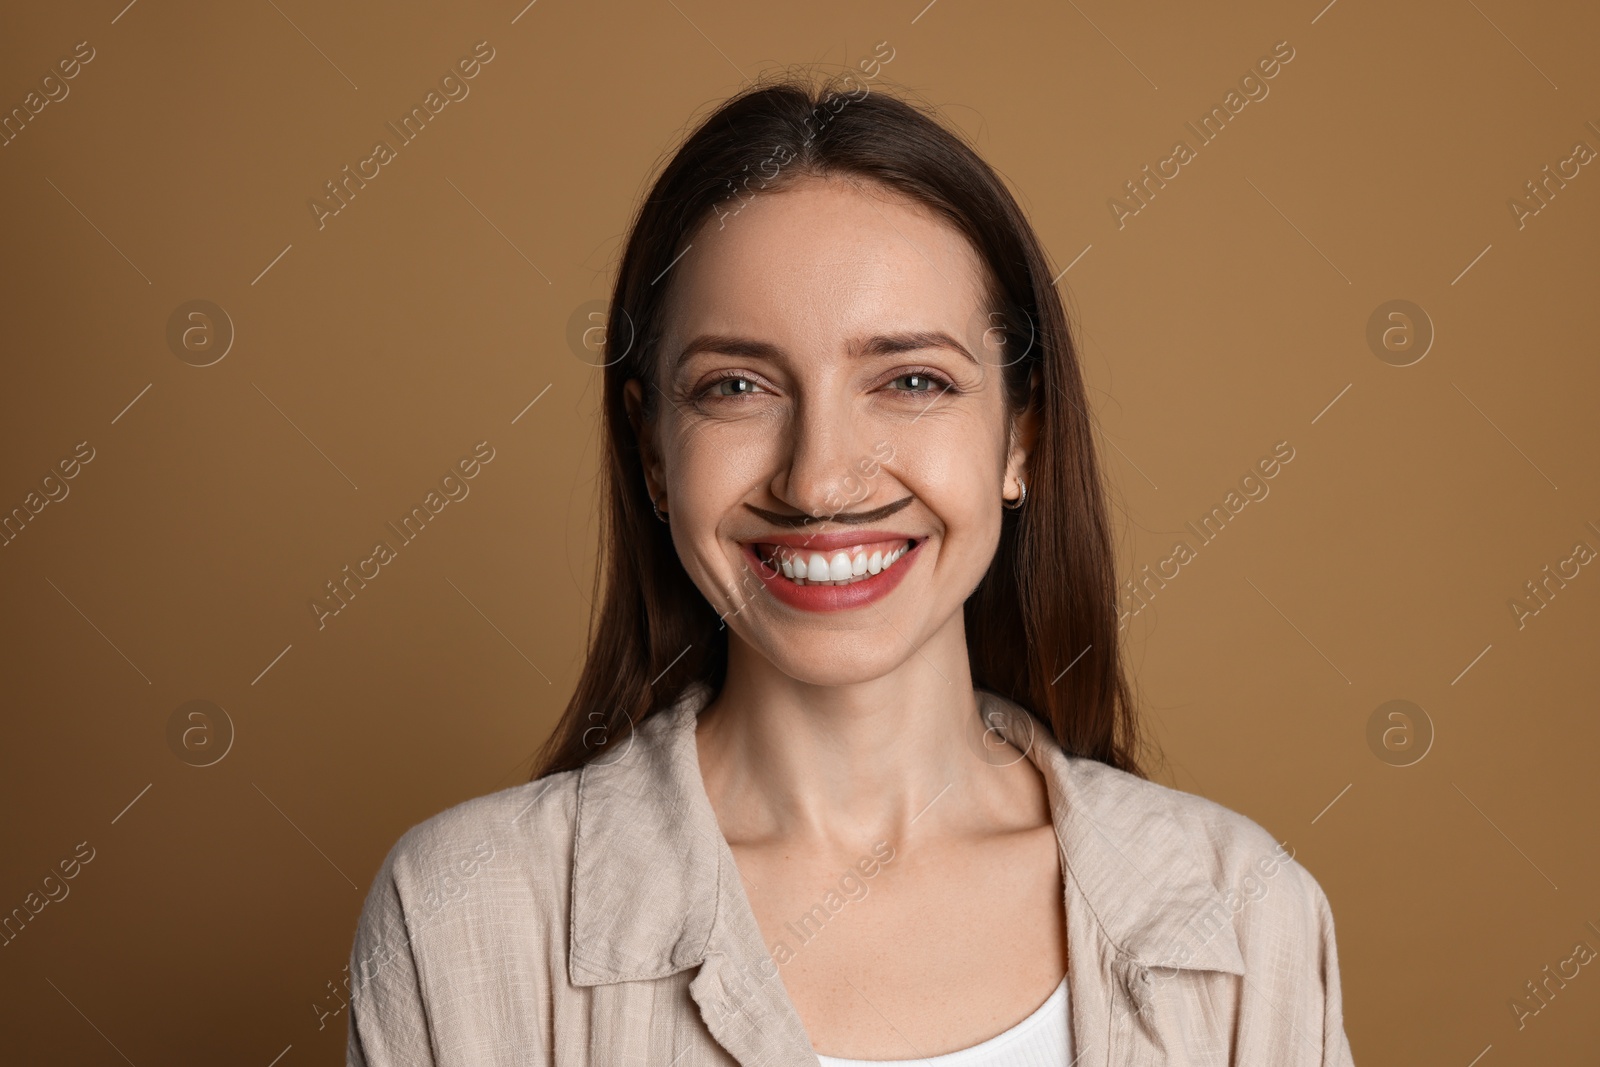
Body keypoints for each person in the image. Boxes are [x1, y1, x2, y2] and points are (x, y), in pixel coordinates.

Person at [346, 72, 1356, 1066]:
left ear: (1021, 438)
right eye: (736, 385)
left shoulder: (1244, 911)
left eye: (911, 380)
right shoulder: (462, 915)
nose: (821, 478)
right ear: (652, 448)